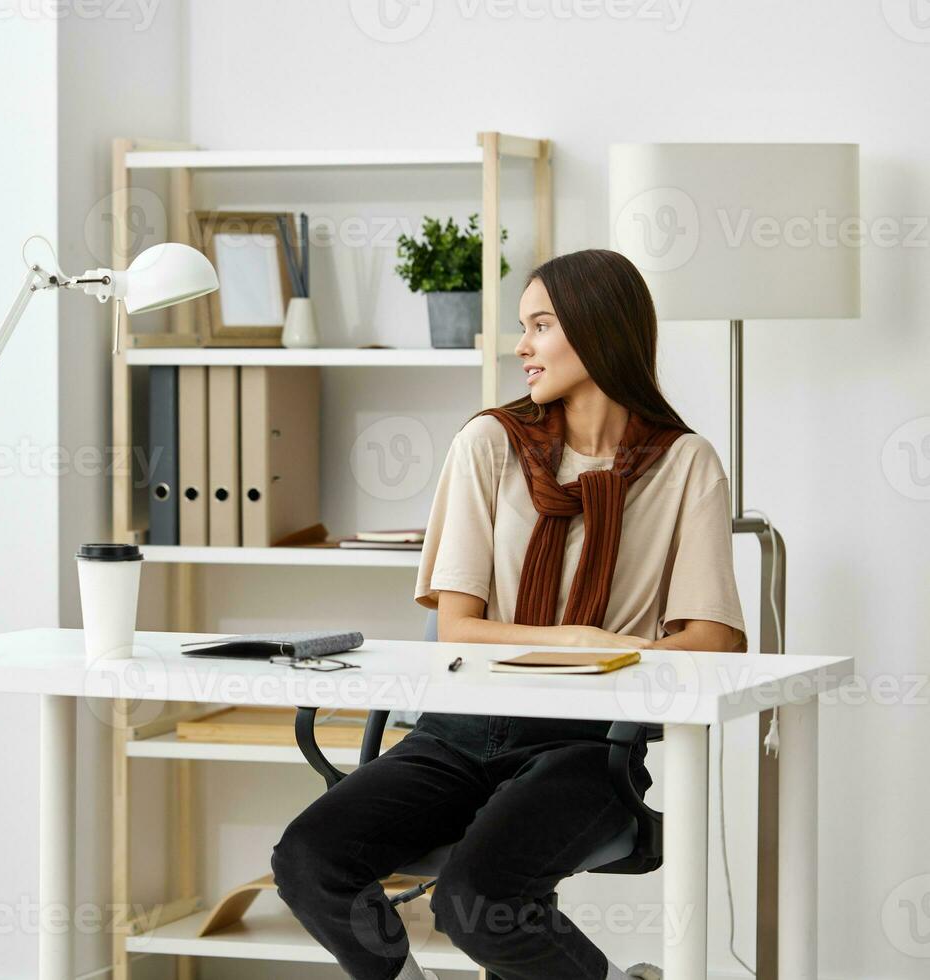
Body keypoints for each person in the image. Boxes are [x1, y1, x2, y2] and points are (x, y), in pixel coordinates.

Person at [270, 248, 748, 980]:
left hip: (592, 749)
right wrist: (583, 639)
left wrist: (600, 660)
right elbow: (460, 627)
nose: (521, 346)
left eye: (541, 325)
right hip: (458, 732)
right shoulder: (488, 444)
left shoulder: (686, 465)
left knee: (476, 900)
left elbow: (711, 637)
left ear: (599, 330)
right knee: (308, 859)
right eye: (522, 327)